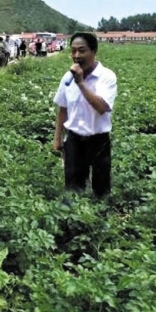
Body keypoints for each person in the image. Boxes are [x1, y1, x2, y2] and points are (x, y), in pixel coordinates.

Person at [52, 32, 118, 198]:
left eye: (82, 51)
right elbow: (63, 109)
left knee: (101, 189)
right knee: (73, 187)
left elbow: (102, 107)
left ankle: (100, 218)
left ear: (94, 51)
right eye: (73, 51)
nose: (76, 56)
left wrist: (81, 83)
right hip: (74, 139)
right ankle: (73, 219)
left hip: (98, 140)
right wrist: (58, 138)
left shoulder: (106, 77)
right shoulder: (67, 78)